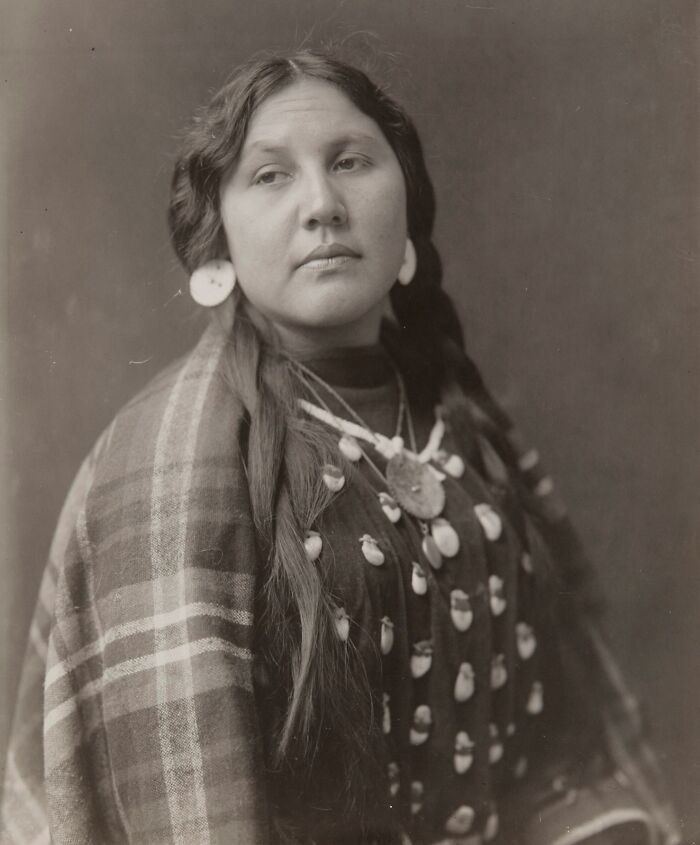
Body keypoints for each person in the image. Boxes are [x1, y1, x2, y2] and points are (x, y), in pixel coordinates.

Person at [1, 50, 682, 845]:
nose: (322, 204)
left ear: (407, 218)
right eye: (270, 176)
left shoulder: (458, 420)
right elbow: (190, 815)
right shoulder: (171, 460)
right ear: (215, 245)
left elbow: (554, 747)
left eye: (351, 162)